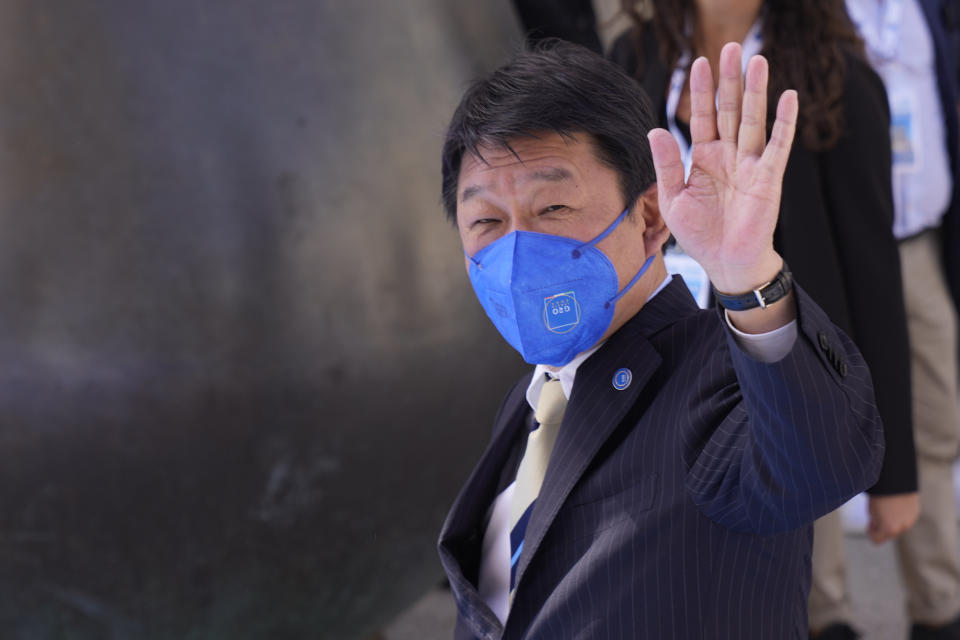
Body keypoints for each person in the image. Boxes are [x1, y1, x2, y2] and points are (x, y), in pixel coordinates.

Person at [437, 40, 884, 638]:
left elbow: (817, 463)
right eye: (486, 221)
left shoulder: (721, 376)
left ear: (649, 218)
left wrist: (748, 277)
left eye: (553, 207)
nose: (517, 251)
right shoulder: (530, 403)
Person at [608, 0, 919, 622]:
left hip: (781, 362)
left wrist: (897, 473)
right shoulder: (633, 58)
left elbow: (872, 273)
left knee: (806, 590)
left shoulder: (837, 75)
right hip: (656, 354)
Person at [806, 1, 960, 638]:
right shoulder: (789, 14)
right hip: (821, 251)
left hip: (916, 245)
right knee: (804, 426)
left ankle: (941, 604)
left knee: (934, 421)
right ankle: (822, 615)